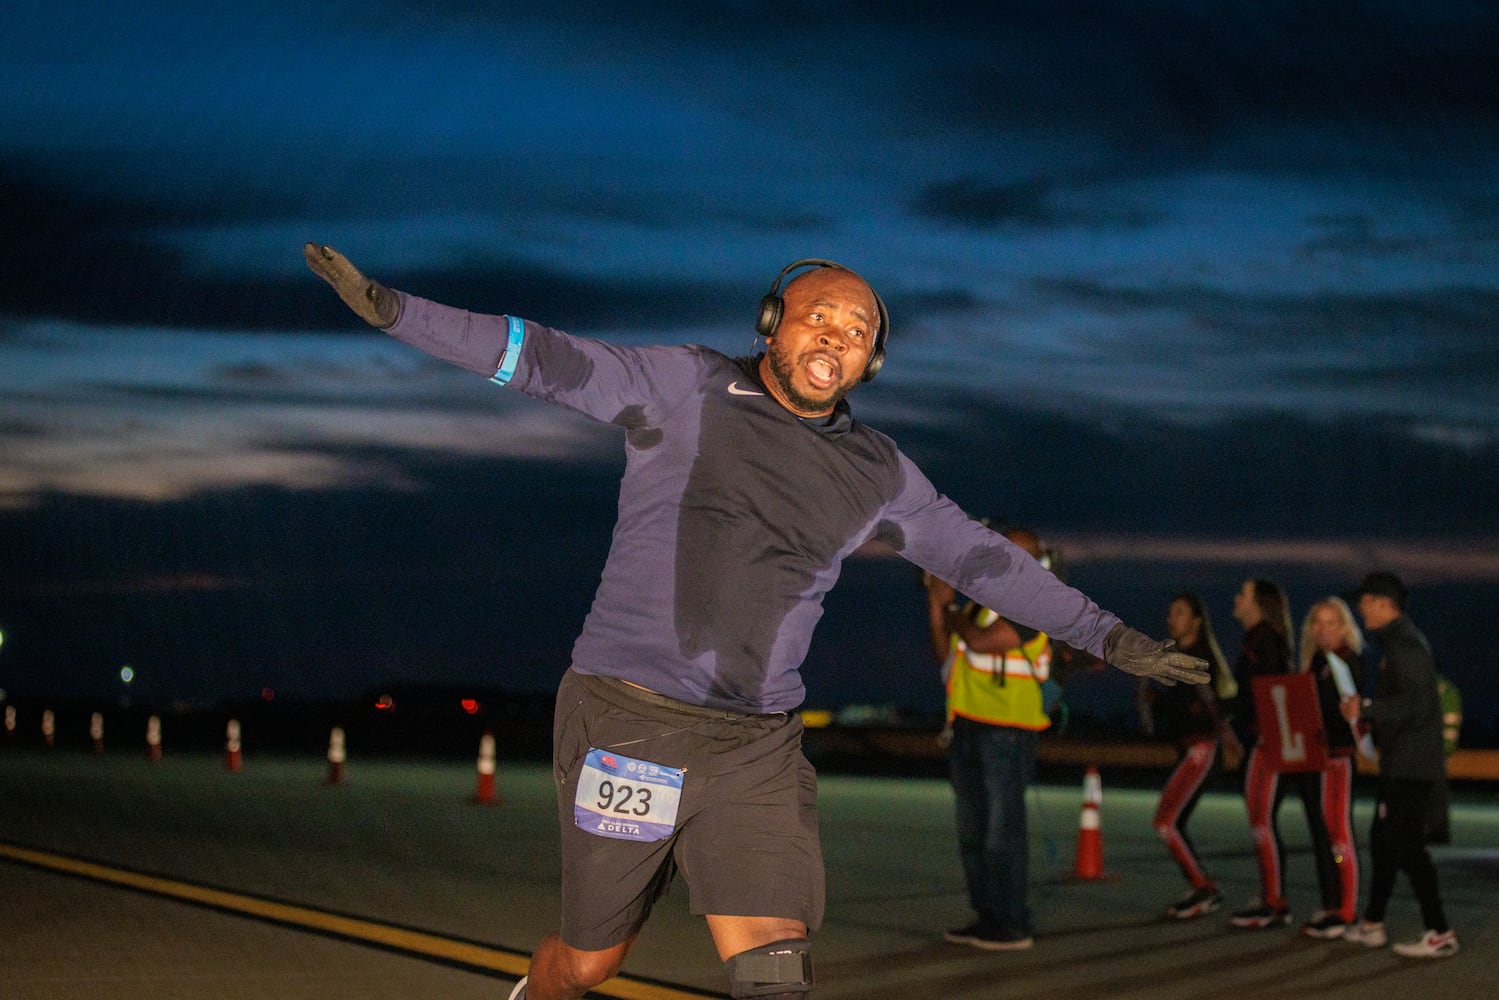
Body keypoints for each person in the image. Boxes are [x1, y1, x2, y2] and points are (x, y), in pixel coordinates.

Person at [304, 245, 1210, 1000]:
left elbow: (984, 561)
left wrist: (1111, 638)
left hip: (756, 747)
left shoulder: (878, 472)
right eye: (821, 317)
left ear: (870, 365)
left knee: (775, 969)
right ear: (771, 322)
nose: (837, 339)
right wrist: (397, 313)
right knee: (588, 963)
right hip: (629, 723)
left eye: (859, 334)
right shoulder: (683, 386)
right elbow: (544, 358)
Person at [925, 526, 1051, 951]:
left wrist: (953, 611)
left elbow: (978, 644)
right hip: (968, 727)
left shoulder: (1033, 605)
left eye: (1014, 552)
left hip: (1007, 733)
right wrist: (935, 600)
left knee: (1002, 833)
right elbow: (948, 658)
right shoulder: (983, 607)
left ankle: (1013, 923)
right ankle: (988, 918)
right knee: (972, 834)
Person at [1340, 572, 1459, 958]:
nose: (1359, 609)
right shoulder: (1398, 642)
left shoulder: (1405, 645)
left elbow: (1418, 704)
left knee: (1406, 847)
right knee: (1383, 843)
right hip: (1402, 765)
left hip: (1411, 768)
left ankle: (1440, 931)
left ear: (1381, 603)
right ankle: (1372, 923)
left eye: (1363, 601)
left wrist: (1368, 708)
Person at [1227, 577, 1339, 931]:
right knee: (1260, 821)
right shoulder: (1257, 640)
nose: (1236, 598)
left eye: (1242, 594)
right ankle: (1271, 897)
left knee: (1262, 821)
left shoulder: (1266, 642)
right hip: (1262, 743)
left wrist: (1252, 728)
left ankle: (1275, 903)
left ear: (1258, 602)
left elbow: (1271, 695)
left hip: (1268, 745)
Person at [1138, 592, 1240, 920]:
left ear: (1196, 621)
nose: (1171, 619)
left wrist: (1228, 737)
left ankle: (1204, 888)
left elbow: (1210, 705)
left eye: (1179, 613)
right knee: (1173, 823)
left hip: (1201, 751)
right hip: (1191, 750)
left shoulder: (1196, 658)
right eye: (1170, 613)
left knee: (1165, 822)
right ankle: (1200, 887)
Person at [1294, 596, 1365, 938]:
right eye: (1317, 622)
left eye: (1331, 622)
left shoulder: (1349, 662)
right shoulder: (1315, 663)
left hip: (1338, 761)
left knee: (1340, 836)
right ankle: (1332, 904)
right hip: (1317, 762)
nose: (1323, 629)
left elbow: (1353, 717)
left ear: (1344, 627)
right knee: (1325, 837)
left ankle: (1346, 912)